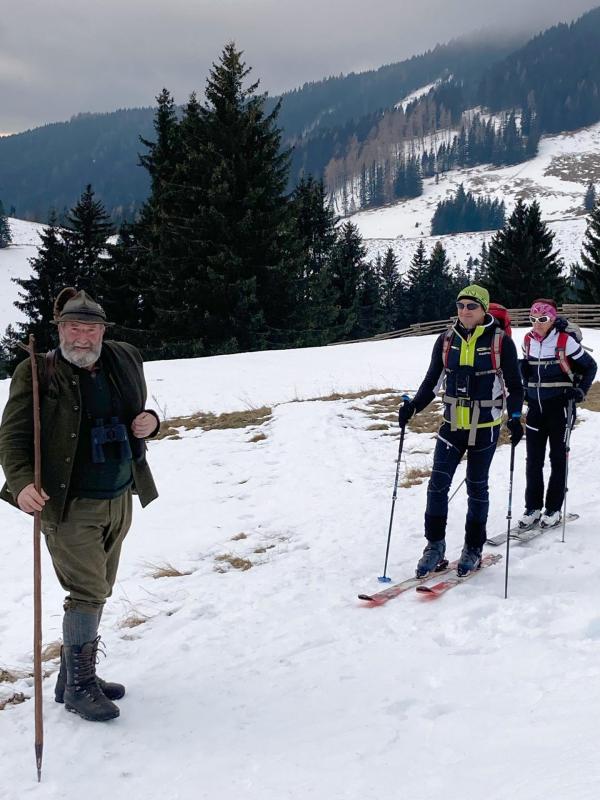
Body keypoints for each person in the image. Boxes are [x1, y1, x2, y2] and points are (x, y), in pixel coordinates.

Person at [0, 287, 159, 722]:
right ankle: (80, 687)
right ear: (60, 330)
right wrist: (19, 484)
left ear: (104, 331)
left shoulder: (124, 358)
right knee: (87, 591)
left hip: (120, 494)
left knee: (100, 587)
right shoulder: (36, 372)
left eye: (91, 328)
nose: (82, 337)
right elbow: (12, 437)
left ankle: (70, 674)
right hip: (68, 504)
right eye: (73, 327)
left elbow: (138, 413)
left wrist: (151, 423)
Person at [398, 284, 524, 577]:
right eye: (460, 305)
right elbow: (432, 380)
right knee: (437, 486)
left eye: (471, 306)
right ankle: (435, 546)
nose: (464, 311)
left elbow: (515, 386)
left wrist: (515, 417)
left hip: (485, 427)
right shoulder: (445, 340)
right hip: (451, 425)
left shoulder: (500, 342)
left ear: (483, 310)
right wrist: (413, 407)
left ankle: (473, 548)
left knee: (476, 487)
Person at [518, 298, 596, 529]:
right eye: (532, 319)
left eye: (542, 319)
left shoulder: (565, 341)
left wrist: (580, 391)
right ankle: (532, 507)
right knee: (533, 460)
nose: (537, 324)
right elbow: (528, 370)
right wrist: (525, 387)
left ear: (552, 319)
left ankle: (552, 509)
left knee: (558, 459)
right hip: (535, 409)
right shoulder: (528, 340)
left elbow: (590, 366)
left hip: (560, 408)